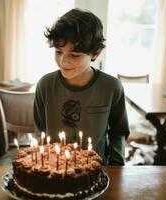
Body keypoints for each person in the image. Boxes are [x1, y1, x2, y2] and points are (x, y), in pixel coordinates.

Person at [33, 8, 129, 165]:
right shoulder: (45, 86)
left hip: (97, 172)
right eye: (58, 52)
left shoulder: (111, 87)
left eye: (75, 55)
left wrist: (116, 167)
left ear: (95, 53)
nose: (64, 61)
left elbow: (118, 132)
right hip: (54, 171)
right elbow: (40, 131)